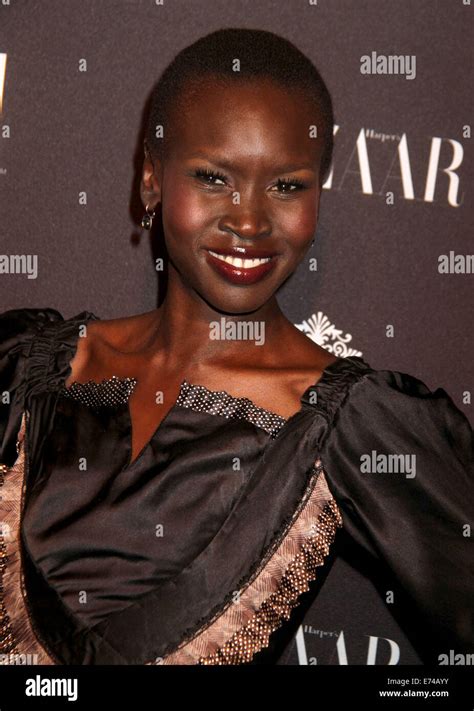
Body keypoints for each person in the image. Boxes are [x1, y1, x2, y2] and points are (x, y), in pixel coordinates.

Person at [0, 28, 472, 666]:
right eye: (214, 177)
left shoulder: (352, 425)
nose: (249, 220)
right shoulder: (30, 367)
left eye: (287, 186)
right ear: (150, 180)